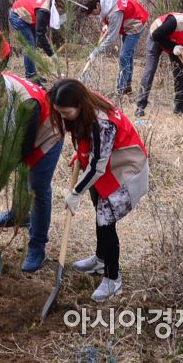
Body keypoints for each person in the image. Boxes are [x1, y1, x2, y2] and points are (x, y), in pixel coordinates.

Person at [50, 78, 148, 302]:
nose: (63, 117)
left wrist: (76, 192)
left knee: (106, 220)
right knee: (100, 210)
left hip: (126, 169)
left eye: (66, 112)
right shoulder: (84, 109)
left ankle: (113, 280)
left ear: (79, 104)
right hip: (109, 164)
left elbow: (98, 165)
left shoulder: (102, 122)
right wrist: (82, 153)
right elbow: (93, 149)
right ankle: (101, 258)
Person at [0, 72, 64, 272]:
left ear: (1, 94)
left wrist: (2, 168)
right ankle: (18, 215)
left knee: (37, 186)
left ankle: (37, 248)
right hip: (27, 131)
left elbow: (23, 149)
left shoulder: (26, 104)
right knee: (22, 172)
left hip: (49, 133)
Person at [134, 13, 183, 117]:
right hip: (157, 36)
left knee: (181, 71)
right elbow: (157, 35)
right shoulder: (174, 23)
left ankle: (180, 107)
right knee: (150, 69)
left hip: (176, 43)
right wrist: (173, 47)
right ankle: (140, 105)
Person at [81, 0, 149, 95]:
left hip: (136, 23)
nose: (93, 15)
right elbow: (108, 16)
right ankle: (127, 86)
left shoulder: (114, 13)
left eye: (92, 12)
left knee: (124, 56)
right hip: (128, 19)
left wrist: (95, 52)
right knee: (127, 55)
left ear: (97, 5)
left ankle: (120, 90)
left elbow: (111, 39)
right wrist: (107, 24)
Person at [9, 0, 67, 83]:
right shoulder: (43, 11)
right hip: (18, 14)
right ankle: (31, 77)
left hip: (30, 13)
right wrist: (51, 54)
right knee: (30, 44)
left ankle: (33, 73)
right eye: (60, 12)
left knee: (33, 43)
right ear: (56, 5)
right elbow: (41, 34)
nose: (60, 14)